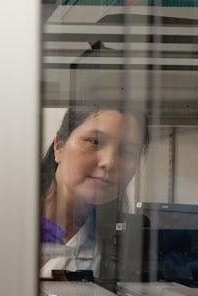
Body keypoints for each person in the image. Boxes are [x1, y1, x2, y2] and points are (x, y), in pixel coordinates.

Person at [39, 104, 147, 278]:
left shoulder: (113, 245)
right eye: (94, 142)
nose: (109, 162)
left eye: (127, 151)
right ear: (59, 146)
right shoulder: (7, 219)